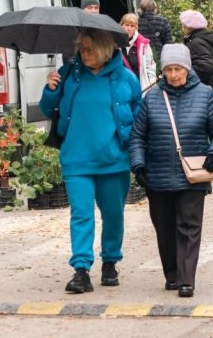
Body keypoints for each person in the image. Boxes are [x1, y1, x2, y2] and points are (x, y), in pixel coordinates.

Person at [41, 28, 141, 294]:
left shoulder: (126, 79)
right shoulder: (69, 76)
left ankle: (110, 261)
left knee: (113, 216)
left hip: (113, 160)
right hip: (76, 159)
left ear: (104, 49)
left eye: (88, 49)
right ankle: (81, 269)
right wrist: (50, 90)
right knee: (81, 214)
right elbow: (46, 107)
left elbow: (139, 117)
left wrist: (132, 142)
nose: (83, 53)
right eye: (81, 48)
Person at [129, 45, 213, 298]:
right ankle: (172, 274)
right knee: (164, 228)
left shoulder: (204, 95)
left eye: (178, 69)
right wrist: (138, 164)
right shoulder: (151, 98)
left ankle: (186, 279)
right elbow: (138, 136)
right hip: (158, 175)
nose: (173, 75)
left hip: (192, 174)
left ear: (188, 68)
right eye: (169, 69)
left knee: (189, 225)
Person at [180, 10, 213, 103]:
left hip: (203, 94)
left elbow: (205, 66)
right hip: (210, 91)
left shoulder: (197, 43)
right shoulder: (203, 39)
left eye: (184, 25)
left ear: (189, 27)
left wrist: (185, 74)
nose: (182, 28)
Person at [121, 13, 157, 89]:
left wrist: (152, 86)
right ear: (121, 25)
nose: (129, 29)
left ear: (136, 28)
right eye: (126, 25)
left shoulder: (143, 44)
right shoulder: (114, 44)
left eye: (132, 26)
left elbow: (150, 67)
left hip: (140, 87)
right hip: (121, 88)